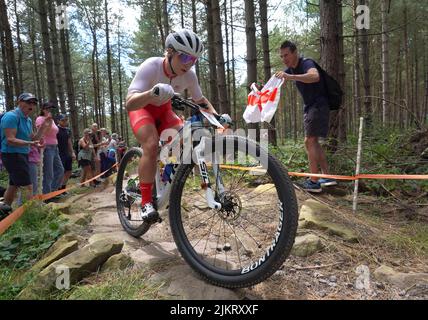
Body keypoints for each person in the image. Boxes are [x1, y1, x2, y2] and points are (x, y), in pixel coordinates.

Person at [126, 29, 218, 223]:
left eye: (193, 60)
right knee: (150, 145)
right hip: (142, 109)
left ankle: (164, 176)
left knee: (187, 137)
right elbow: (130, 103)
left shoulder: (189, 76)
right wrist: (151, 94)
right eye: (184, 57)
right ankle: (145, 202)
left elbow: (200, 101)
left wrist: (217, 118)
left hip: (164, 112)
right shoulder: (151, 66)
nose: (189, 64)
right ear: (169, 52)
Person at [275, 40, 337, 193]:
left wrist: (290, 77)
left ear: (295, 52)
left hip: (318, 105)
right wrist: (259, 89)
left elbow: (314, 76)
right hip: (311, 106)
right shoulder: (290, 69)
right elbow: (274, 83)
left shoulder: (306, 63)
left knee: (309, 141)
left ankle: (314, 181)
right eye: (282, 56)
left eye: (287, 55)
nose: (284, 59)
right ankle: (327, 176)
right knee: (313, 142)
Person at [0, 93, 49, 216]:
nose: (31, 105)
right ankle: (29, 215)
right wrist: (31, 143)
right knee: (28, 186)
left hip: (21, 154)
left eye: (33, 103)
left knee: (14, 185)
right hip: (12, 154)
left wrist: (43, 128)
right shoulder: (11, 116)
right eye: (28, 102)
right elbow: (10, 140)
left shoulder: (27, 120)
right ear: (19, 102)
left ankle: (4, 210)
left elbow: (33, 137)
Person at [36, 101, 65, 195]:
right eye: (48, 109)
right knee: (49, 172)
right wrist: (47, 122)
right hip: (46, 147)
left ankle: (52, 191)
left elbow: (55, 132)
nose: (49, 111)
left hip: (54, 147)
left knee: (60, 170)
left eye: (51, 109)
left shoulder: (52, 120)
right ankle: (46, 195)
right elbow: (43, 133)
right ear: (43, 109)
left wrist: (50, 121)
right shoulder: (40, 119)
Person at [56, 114, 76, 193]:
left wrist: (72, 152)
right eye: (62, 120)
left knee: (69, 170)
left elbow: (69, 142)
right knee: (61, 171)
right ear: (58, 121)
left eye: (66, 120)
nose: (64, 122)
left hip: (67, 152)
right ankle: (57, 188)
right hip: (58, 153)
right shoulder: (56, 129)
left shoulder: (68, 130)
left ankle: (63, 187)